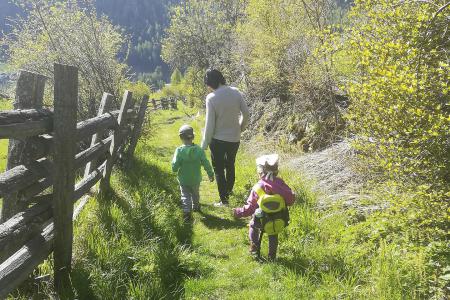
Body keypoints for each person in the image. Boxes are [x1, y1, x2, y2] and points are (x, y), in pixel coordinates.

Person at [201, 69, 249, 207]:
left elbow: (209, 124)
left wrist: (204, 145)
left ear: (211, 83)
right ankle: (228, 191)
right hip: (235, 138)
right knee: (230, 165)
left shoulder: (211, 98)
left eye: (208, 85)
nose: (208, 88)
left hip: (218, 140)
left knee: (219, 169)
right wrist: (240, 128)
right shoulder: (236, 92)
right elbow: (246, 114)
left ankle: (224, 200)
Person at [233, 154, 295, 261]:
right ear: (276, 171)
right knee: (273, 234)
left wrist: (238, 212)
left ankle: (254, 249)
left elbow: (250, 207)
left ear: (260, 172)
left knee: (253, 226)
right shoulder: (281, 184)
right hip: (278, 218)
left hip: (260, 220)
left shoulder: (258, 186)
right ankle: (272, 257)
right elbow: (290, 200)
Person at [172, 125, 215, 221]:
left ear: (181, 138)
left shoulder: (179, 151)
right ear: (193, 137)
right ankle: (196, 206)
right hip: (196, 179)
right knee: (195, 194)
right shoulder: (199, 150)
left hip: (184, 179)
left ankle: (187, 212)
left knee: (185, 195)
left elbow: (175, 164)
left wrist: (174, 169)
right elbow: (206, 163)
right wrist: (210, 174)